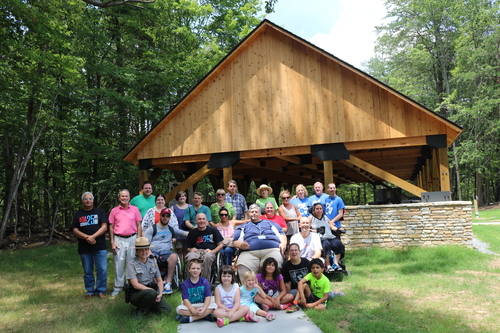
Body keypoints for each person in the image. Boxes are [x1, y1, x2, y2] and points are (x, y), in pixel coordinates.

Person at [70, 192, 108, 299]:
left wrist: (93, 237)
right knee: (87, 270)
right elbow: (74, 229)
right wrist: (87, 237)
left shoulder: (99, 212)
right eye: (85, 199)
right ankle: (90, 291)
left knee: (102, 269)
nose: (88, 200)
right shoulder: (78, 214)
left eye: (90, 198)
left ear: (93, 200)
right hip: (84, 248)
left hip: (99, 246)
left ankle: (101, 290)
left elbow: (104, 226)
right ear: (82, 201)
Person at [233, 204, 287, 278]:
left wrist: (283, 243)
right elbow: (235, 240)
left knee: (273, 263)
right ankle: (249, 289)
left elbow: (281, 233)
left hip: (271, 250)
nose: (254, 213)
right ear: (249, 214)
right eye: (252, 212)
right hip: (249, 252)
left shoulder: (270, 223)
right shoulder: (243, 226)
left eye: (256, 211)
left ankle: (270, 287)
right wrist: (241, 245)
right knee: (243, 265)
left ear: (260, 213)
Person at [126, 237, 172, 316]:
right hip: (137, 294)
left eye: (146, 249)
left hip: (152, 293)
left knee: (166, 310)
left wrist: (160, 294)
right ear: (136, 251)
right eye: (141, 250)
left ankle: (149, 306)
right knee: (150, 293)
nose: (144, 252)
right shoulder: (131, 264)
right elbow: (135, 285)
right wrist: (151, 291)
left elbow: (159, 280)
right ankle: (139, 312)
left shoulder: (152, 262)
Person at [109, 189, 142, 297]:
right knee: (118, 263)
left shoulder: (135, 209)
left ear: (129, 197)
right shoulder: (114, 210)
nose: (124, 198)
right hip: (119, 239)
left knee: (131, 263)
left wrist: (139, 240)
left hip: (132, 238)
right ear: (119, 198)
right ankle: (118, 287)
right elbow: (111, 226)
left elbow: (139, 225)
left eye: (126, 196)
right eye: (122, 196)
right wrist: (112, 242)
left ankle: (130, 285)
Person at [144, 208, 180, 295]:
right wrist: (150, 253)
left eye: (167, 216)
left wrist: (197, 231)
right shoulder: (152, 229)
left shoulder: (171, 229)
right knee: (152, 259)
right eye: (163, 215)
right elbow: (146, 244)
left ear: (170, 218)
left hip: (166, 252)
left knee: (174, 256)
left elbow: (184, 233)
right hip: (153, 252)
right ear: (160, 216)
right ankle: (157, 284)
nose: (165, 218)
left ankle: (168, 283)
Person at [176, 259, 217, 324]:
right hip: (191, 305)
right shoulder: (185, 284)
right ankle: (205, 316)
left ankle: (191, 318)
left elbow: (208, 297)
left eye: (198, 268)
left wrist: (204, 309)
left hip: (202, 304)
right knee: (179, 309)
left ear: (201, 270)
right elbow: (185, 300)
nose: (195, 270)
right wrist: (193, 311)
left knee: (214, 306)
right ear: (189, 269)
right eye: (193, 268)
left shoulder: (205, 281)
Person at [185, 213, 223, 279]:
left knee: (207, 256)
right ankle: (191, 280)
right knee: (190, 256)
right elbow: (188, 247)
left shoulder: (213, 230)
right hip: (197, 251)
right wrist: (191, 250)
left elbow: (220, 245)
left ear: (206, 221)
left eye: (203, 219)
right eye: (199, 219)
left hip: (209, 251)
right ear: (195, 221)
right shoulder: (192, 233)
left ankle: (204, 280)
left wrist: (212, 251)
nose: (201, 221)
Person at [309, 203, 345, 272]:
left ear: (322, 210)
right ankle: (328, 265)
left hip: (330, 236)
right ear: (314, 210)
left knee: (338, 244)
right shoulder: (311, 218)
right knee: (326, 244)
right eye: (317, 209)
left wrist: (338, 229)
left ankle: (336, 263)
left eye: (320, 209)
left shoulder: (325, 217)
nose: (319, 210)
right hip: (320, 237)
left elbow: (332, 226)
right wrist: (315, 230)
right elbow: (308, 228)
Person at [281, 243, 310, 312]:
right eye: (291, 250)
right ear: (288, 252)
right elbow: (287, 283)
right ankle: (269, 304)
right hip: (296, 291)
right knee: (287, 297)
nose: (294, 252)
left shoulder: (307, 263)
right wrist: (287, 295)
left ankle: (295, 303)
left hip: (309, 289)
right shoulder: (286, 266)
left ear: (299, 251)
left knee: (329, 295)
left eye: (295, 250)